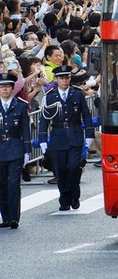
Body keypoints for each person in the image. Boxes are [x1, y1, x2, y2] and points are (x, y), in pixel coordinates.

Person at [37, 65, 94, 211]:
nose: (65, 80)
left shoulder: (77, 94)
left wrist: (89, 136)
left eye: (67, 77)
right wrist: (43, 140)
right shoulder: (50, 96)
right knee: (61, 171)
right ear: (56, 79)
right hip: (58, 137)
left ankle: (75, 195)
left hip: (75, 135)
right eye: (61, 78)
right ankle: (64, 199)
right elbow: (44, 120)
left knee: (74, 167)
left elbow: (86, 115)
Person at [0, 72, 30, 228]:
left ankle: (14, 218)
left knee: (13, 184)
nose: (4, 90)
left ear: (12, 88)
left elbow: (25, 130)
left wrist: (27, 151)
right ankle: (5, 217)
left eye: (7, 87)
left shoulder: (20, 105)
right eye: (2, 87)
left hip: (15, 148)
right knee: (2, 184)